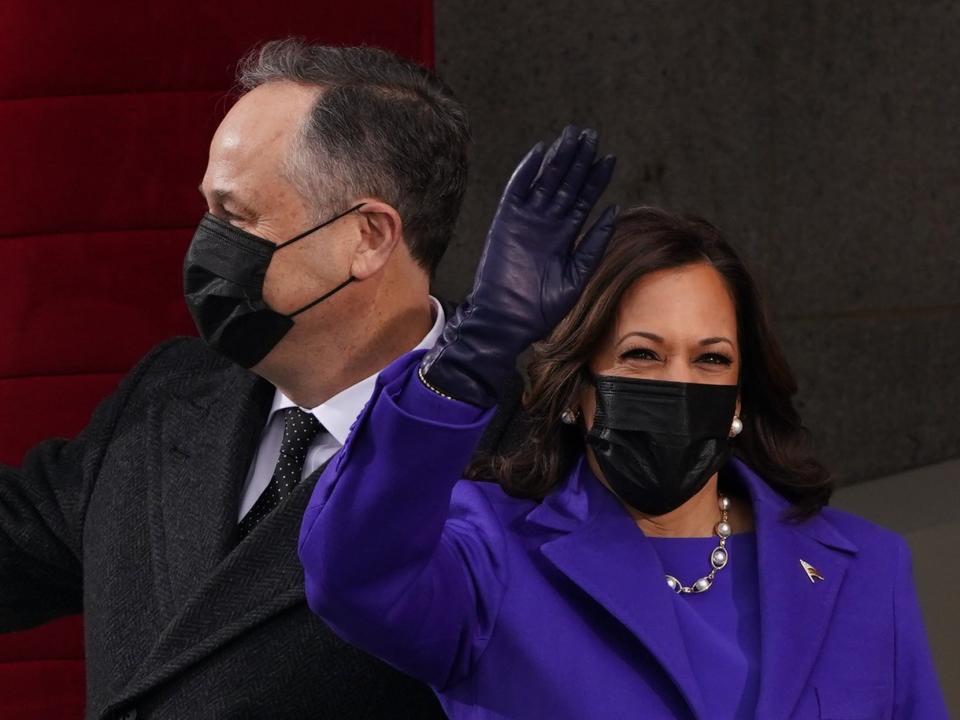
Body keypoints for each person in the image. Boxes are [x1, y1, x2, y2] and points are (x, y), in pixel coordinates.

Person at [298, 126, 949, 719]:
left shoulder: (868, 568)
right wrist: (476, 350)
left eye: (711, 358)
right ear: (572, 390)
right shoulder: (489, 554)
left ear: (741, 398)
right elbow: (353, 574)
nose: (678, 383)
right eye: (642, 354)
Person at [0, 39, 504, 719]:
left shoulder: (516, 462)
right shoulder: (167, 396)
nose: (205, 245)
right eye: (209, 210)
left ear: (368, 237)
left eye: (236, 216)